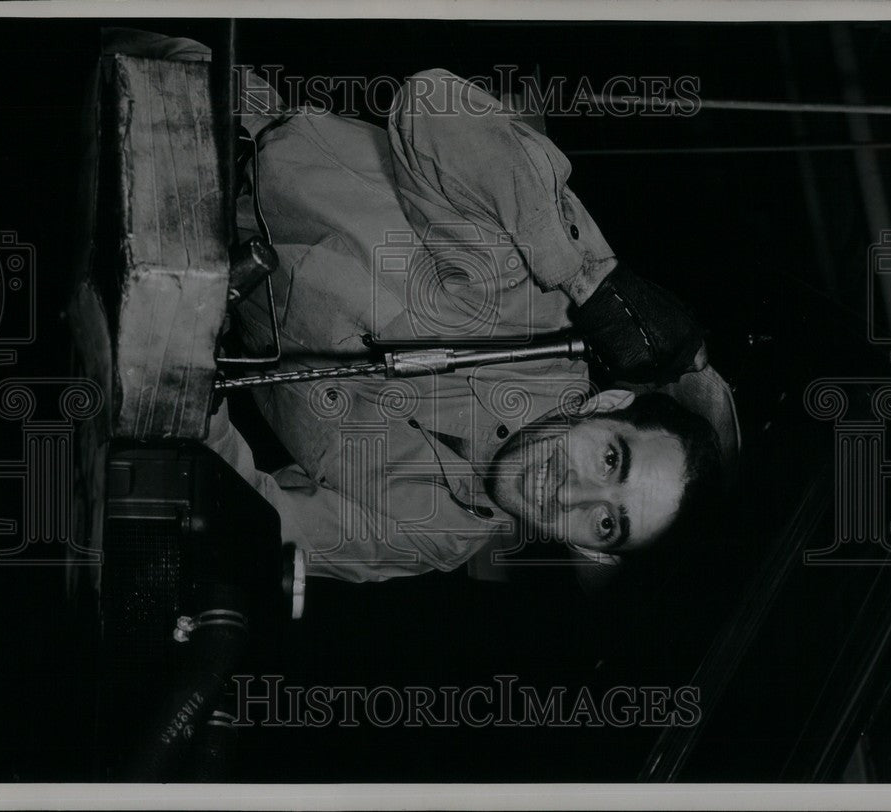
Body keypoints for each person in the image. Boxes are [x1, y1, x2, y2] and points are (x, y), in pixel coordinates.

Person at [197, 60, 738, 587]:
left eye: (606, 523)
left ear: (591, 552)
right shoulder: (533, 308)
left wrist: (188, 384)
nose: (572, 493)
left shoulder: (433, 537)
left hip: (166, 311)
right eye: (609, 459)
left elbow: (251, 519)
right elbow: (431, 105)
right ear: (607, 406)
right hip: (206, 125)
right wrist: (590, 279)